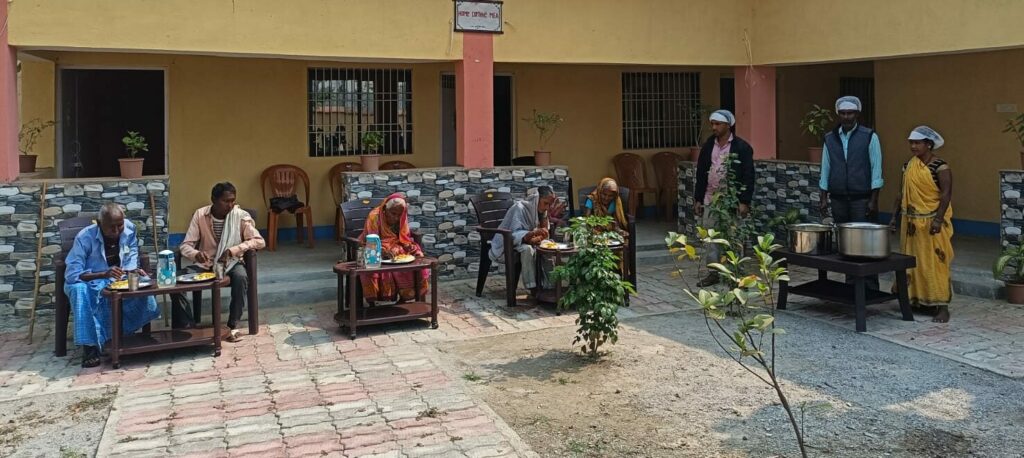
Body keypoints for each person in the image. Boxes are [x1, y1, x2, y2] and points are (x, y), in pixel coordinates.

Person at [64, 203, 160, 367]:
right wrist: (104, 274)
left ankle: (120, 337)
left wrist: (133, 272)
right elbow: (72, 275)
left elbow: (131, 257)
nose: (116, 231)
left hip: (116, 279)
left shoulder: (129, 229)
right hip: (87, 281)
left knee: (142, 284)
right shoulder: (84, 237)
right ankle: (90, 347)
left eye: (119, 225)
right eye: (111, 227)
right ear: (99, 224)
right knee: (79, 291)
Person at [174, 182, 265, 342]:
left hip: (231, 263)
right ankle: (188, 327)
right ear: (213, 200)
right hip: (205, 265)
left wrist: (233, 250)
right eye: (225, 201)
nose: (230, 205)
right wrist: (196, 254)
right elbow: (185, 245)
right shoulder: (201, 215)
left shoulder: (240, 216)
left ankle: (231, 325)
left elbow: (259, 241)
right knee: (176, 282)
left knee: (241, 277)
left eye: (232, 200)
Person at [889, 126, 953, 323]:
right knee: (911, 262)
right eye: (911, 143)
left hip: (932, 222)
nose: (913, 146)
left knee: (935, 263)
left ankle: (941, 306)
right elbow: (901, 193)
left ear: (929, 144)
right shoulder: (908, 166)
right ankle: (913, 299)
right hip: (911, 224)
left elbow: (946, 194)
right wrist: (893, 217)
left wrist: (938, 219)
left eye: (917, 143)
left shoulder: (941, 167)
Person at [693, 109, 755, 287]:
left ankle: (735, 273)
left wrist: (744, 201)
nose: (714, 127)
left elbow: (748, 176)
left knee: (734, 237)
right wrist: (698, 199)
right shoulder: (708, 146)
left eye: (718, 124)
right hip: (711, 199)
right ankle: (714, 272)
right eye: (712, 123)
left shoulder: (742, 147)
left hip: (732, 200)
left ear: (728, 125)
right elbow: (701, 174)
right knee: (712, 238)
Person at [358, 193, 430, 304]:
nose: (396, 218)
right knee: (375, 261)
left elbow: (404, 237)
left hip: (397, 246)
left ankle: (404, 298)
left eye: (399, 214)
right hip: (374, 247)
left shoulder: (402, 217)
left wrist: (410, 248)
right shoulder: (374, 216)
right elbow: (371, 240)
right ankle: (376, 302)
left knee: (416, 257)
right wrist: (383, 250)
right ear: (385, 209)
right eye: (393, 213)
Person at [489, 186, 560, 296]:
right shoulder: (520, 208)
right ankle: (532, 287)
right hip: (508, 242)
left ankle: (549, 285)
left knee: (547, 247)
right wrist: (533, 234)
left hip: (527, 240)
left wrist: (540, 235)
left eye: (550, 204)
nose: (547, 207)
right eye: (545, 203)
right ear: (537, 198)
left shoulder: (541, 211)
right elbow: (514, 233)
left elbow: (544, 232)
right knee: (527, 249)